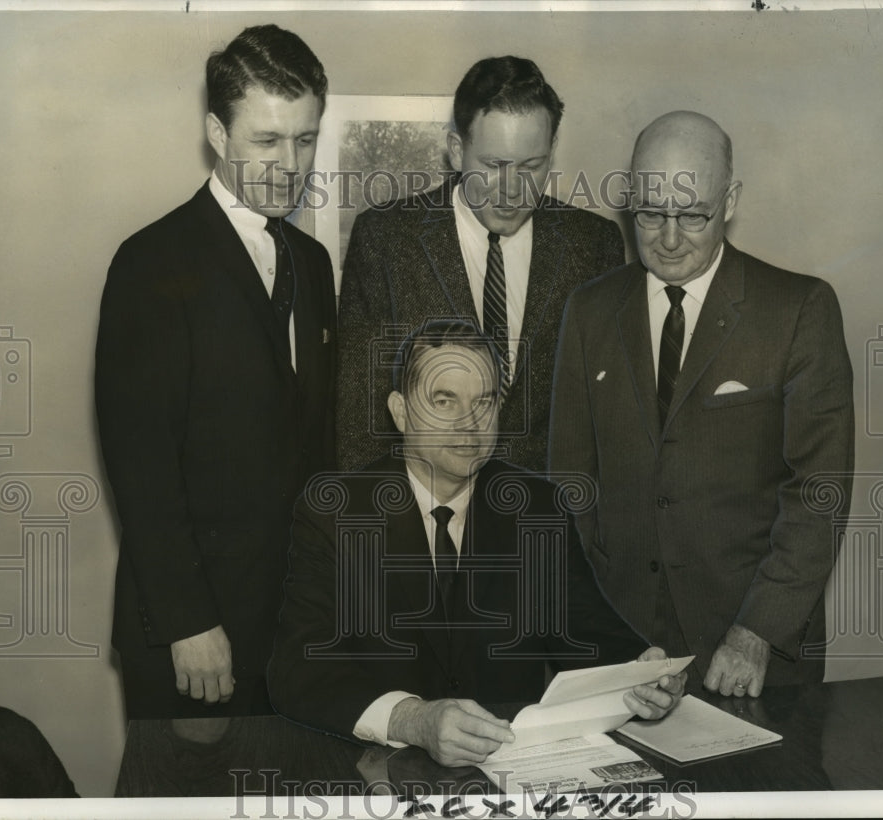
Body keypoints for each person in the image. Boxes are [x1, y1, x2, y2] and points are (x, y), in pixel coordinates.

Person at [269, 319, 684, 768]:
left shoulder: (536, 509)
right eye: (444, 401)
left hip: (509, 773)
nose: (469, 424)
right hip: (378, 775)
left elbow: (587, 632)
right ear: (401, 412)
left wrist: (642, 671)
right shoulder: (335, 513)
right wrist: (412, 719)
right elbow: (296, 670)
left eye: (483, 402)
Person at [549, 111, 854, 698]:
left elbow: (820, 492)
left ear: (730, 200)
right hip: (621, 646)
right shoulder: (588, 311)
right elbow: (571, 487)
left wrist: (757, 630)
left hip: (748, 650)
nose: (668, 238)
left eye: (693, 215)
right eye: (650, 213)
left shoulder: (798, 311)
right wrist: (596, 634)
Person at [95, 25, 337, 719]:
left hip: (291, 634)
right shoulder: (151, 263)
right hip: (191, 641)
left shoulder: (312, 264)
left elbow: (311, 448)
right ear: (216, 133)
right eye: (266, 140)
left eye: (306, 138)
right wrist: (187, 624)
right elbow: (141, 467)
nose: (290, 163)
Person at [336, 56, 625, 474]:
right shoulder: (383, 238)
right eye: (493, 166)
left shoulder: (595, 244)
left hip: (550, 521)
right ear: (456, 151)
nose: (511, 190)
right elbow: (359, 422)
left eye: (531, 166)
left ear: (552, 151)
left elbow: (608, 420)